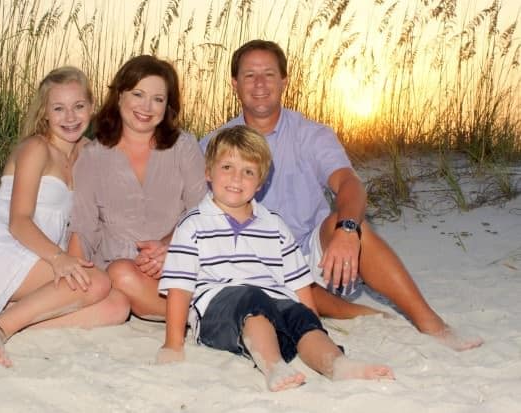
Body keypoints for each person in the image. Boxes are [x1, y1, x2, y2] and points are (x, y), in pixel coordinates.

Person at [201, 40, 483, 351]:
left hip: (311, 248)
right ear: (234, 83)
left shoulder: (312, 134)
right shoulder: (213, 143)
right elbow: (197, 210)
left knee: (350, 224)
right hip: (253, 259)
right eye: (249, 75)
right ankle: (365, 314)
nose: (259, 84)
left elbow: (349, 182)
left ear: (284, 81)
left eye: (268, 74)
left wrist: (347, 230)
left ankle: (431, 323)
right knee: (254, 276)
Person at [156, 126, 394, 391]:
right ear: (208, 172)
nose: (237, 178)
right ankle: (272, 365)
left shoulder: (274, 224)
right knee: (251, 298)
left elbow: (298, 282)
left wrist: (310, 318)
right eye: (227, 167)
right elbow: (180, 287)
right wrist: (172, 343)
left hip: (274, 302)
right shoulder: (192, 225)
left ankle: (337, 364)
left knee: (300, 318)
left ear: (260, 183)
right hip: (218, 311)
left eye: (248, 172)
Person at [0, 66, 130, 367]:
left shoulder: (89, 153)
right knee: (96, 283)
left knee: (118, 306)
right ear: (45, 113)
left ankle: (6, 322)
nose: (70, 117)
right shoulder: (37, 148)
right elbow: (19, 220)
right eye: (59, 109)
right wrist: (59, 258)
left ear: (91, 108)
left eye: (78, 107)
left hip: (42, 255)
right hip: (4, 247)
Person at [68, 55, 207, 319]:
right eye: (138, 94)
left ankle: (194, 312)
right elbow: (84, 226)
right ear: (119, 95)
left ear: (168, 106)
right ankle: (194, 317)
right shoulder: (93, 155)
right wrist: (74, 280)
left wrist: (171, 247)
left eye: (158, 99)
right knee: (121, 275)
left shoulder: (184, 146)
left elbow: (202, 212)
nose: (147, 107)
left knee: (125, 282)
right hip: (120, 273)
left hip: (176, 265)